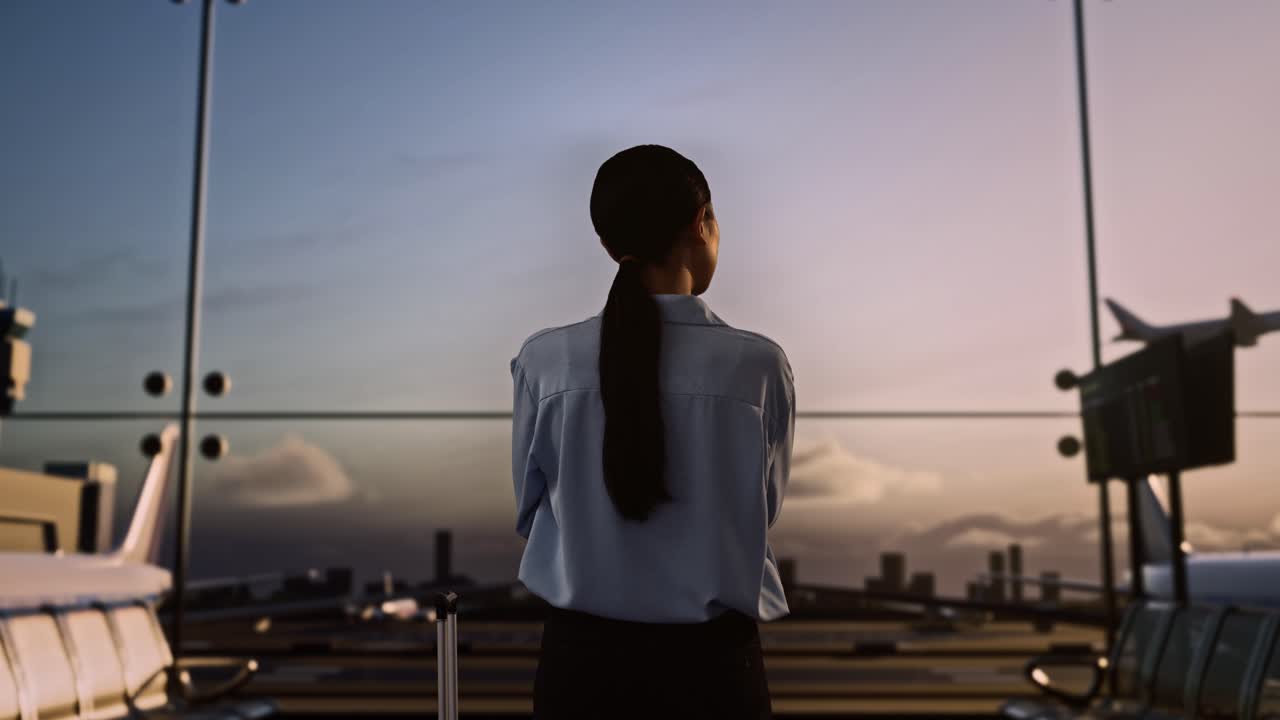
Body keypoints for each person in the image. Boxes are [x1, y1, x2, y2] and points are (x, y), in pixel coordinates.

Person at [509, 144, 795, 719]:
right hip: (713, 674)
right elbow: (762, 508)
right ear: (702, 224)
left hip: (579, 669)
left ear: (609, 245)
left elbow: (531, 504)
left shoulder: (544, 361)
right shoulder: (758, 366)